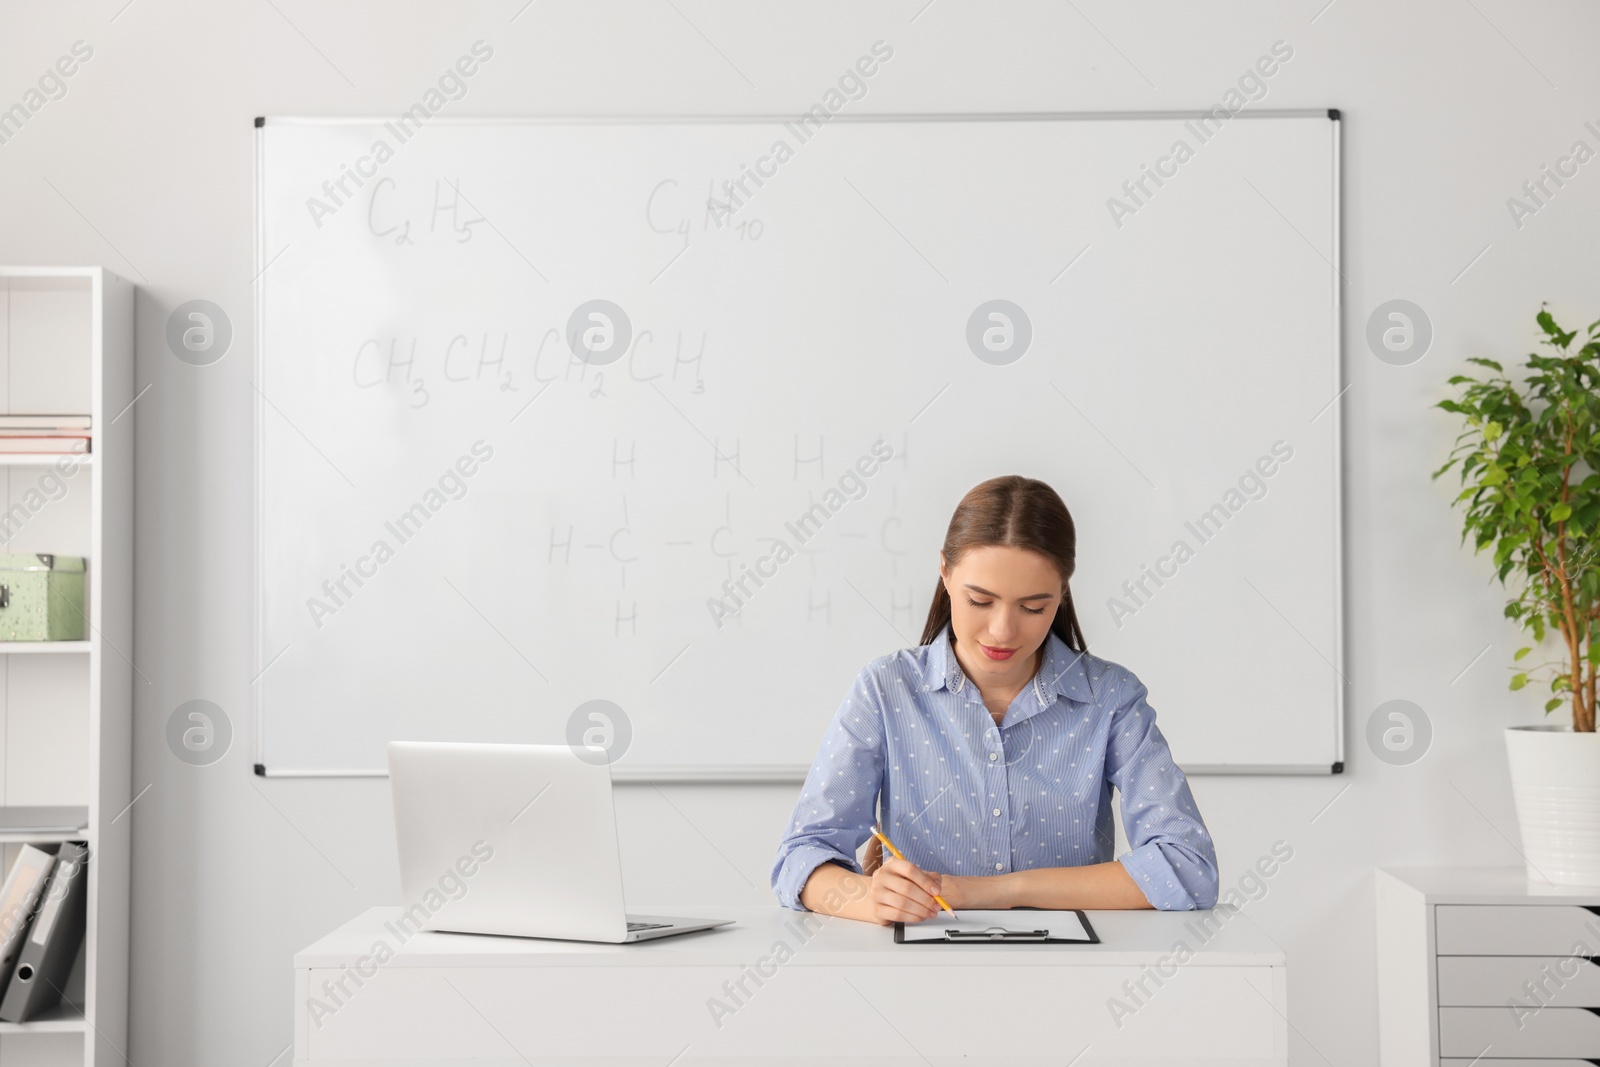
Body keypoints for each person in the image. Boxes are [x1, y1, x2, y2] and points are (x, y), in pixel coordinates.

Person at [769, 475, 1219, 924]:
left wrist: (991, 892)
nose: (1003, 631)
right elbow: (801, 858)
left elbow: (1189, 868)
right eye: (980, 601)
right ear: (945, 573)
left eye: (1033, 607)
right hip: (919, 969)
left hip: (1071, 971)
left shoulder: (1111, 698)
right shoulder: (885, 689)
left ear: (1062, 593)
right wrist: (868, 898)